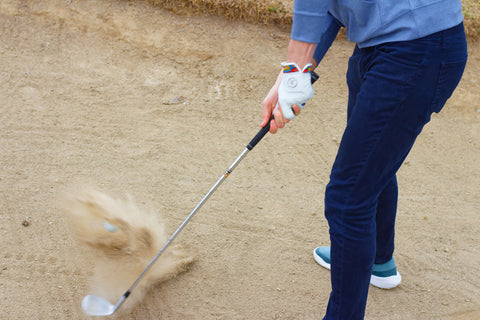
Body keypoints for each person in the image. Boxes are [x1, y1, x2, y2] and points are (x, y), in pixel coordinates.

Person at [261, 1, 468, 319]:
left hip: (417, 48)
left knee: (348, 198)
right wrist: (295, 71)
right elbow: (330, 7)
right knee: (371, 161)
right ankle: (377, 261)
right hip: (382, 44)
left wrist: (295, 69)